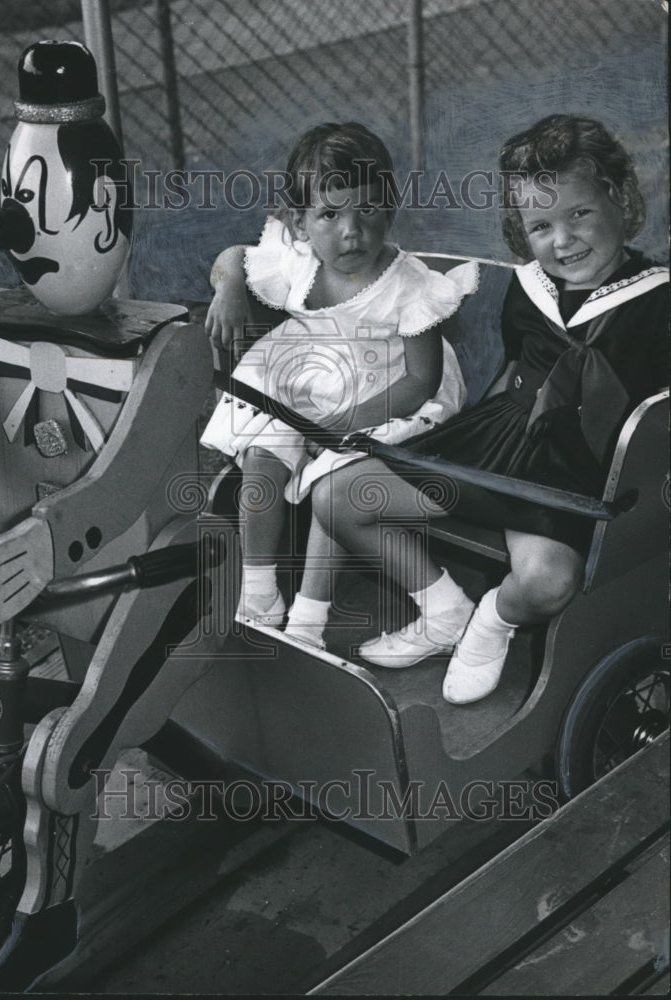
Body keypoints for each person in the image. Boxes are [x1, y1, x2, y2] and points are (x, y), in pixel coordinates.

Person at [312, 113, 669, 703]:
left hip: (580, 471)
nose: (563, 240)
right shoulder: (528, 289)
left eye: (579, 213)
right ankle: (443, 608)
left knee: (547, 582)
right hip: (502, 440)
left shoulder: (658, 299)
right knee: (337, 495)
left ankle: (492, 619)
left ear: (619, 197)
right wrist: (450, 439)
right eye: (541, 226)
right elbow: (511, 375)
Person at [201, 121, 477, 639]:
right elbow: (232, 257)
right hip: (312, 374)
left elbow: (421, 380)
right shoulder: (298, 258)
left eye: (368, 210)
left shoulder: (411, 286)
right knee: (263, 455)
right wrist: (230, 286)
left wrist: (340, 424)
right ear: (299, 223)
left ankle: (309, 619)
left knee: (333, 470)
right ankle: (259, 593)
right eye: (330, 214)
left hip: (389, 393)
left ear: (389, 210)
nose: (352, 231)